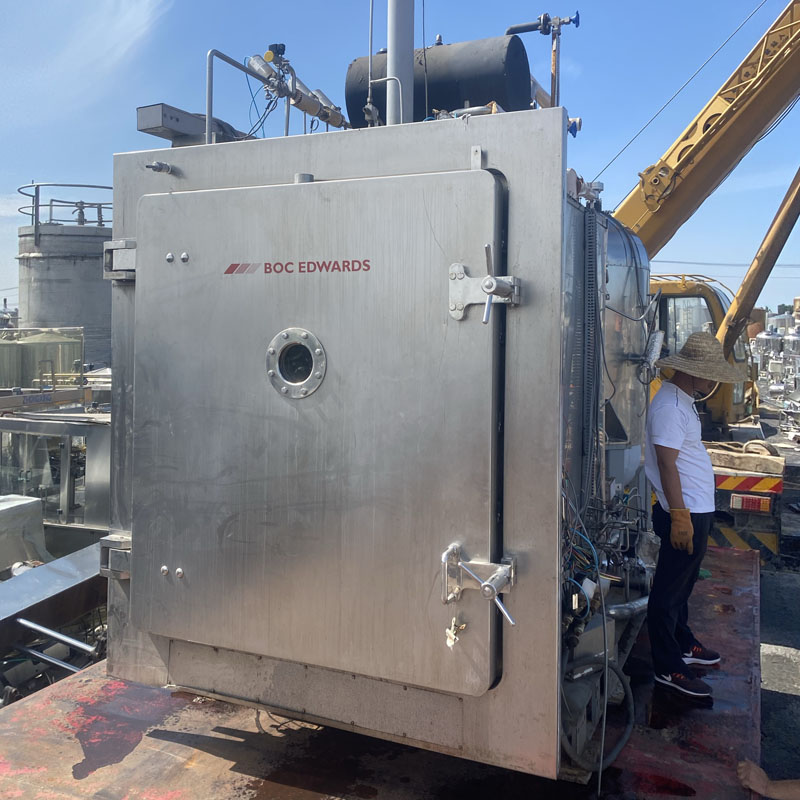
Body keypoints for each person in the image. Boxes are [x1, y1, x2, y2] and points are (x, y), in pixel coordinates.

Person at [644, 331, 744, 697]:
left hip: (694, 509)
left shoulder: (681, 401)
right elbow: (666, 464)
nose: (713, 381)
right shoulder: (670, 407)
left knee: (682, 588)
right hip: (684, 512)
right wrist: (680, 516)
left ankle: (683, 643)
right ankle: (668, 668)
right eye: (709, 374)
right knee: (667, 594)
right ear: (693, 372)